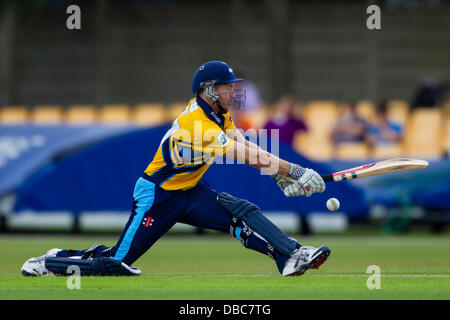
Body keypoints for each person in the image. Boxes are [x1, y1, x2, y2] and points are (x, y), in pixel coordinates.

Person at [21, 60, 329, 278]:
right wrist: (296, 170)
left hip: (191, 191)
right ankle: (50, 262)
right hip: (157, 195)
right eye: (226, 88)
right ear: (208, 90)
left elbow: (245, 144)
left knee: (241, 213)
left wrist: (278, 173)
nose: (233, 93)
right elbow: (240, 154)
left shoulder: (219, 114)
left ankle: (291, 255)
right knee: (117, 263)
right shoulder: (197, 123)